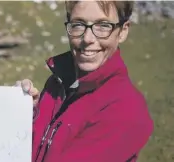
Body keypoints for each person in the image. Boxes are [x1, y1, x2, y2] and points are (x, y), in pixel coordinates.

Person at [17, 1, 154, 162]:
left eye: (103, 25)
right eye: (78, 24)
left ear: (123, 31)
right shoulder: (57, 83)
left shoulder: (127, 109)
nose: (87, 38)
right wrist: (24, 115)